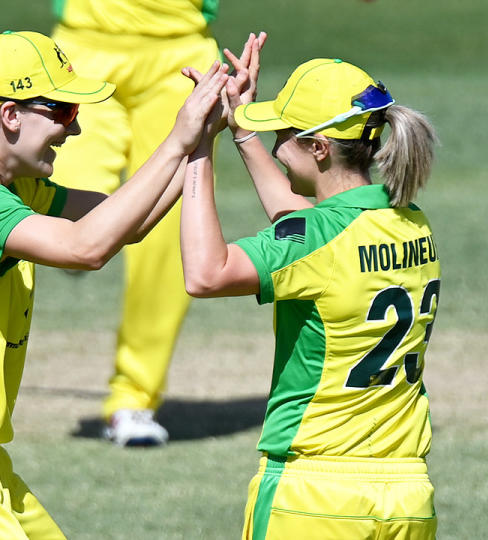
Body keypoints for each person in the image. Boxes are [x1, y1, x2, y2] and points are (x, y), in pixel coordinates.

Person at [0, 30, 228, 539]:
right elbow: (86, 249)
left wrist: (201, 140)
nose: (72, 131)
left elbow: (129, 223)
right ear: (10, 113)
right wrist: (177, 140)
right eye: (63, 113)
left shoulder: (11, 188)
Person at [180, 35, 440, 539]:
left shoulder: (317, 240)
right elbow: (310, 229)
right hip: (406, 497)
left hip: (315, 498)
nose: (276, 147)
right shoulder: (411, 222)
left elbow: (205, 274)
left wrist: (198, 149)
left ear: (319, 147)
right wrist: (241, 129)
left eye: (282, 134)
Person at [48, 0, 222, 446]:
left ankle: (133, 398)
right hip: (82, 47)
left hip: (180, 55)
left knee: (169, 234)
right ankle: (75, 248)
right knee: (66, 207)